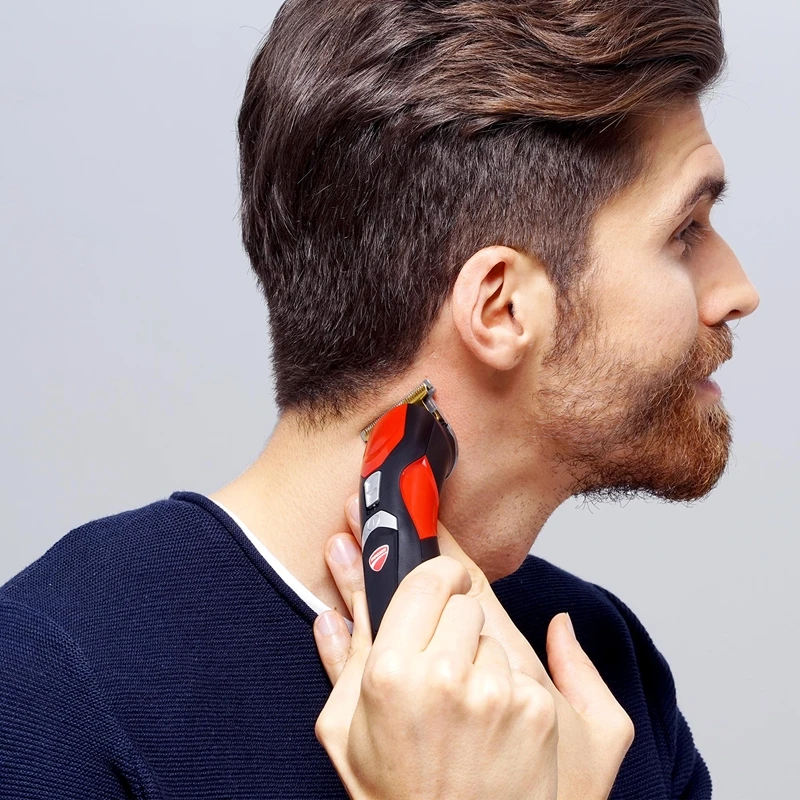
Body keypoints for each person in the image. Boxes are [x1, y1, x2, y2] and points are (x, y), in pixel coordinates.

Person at [0, 0, 759, 798]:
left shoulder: (603, 677)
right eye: (686, 231)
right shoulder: (47, 695)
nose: (738, 290)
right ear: (501, 306)